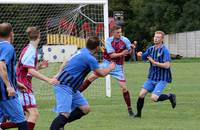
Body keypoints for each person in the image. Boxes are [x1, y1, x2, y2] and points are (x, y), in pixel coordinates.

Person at [50, 36, 115, 130]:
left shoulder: (81, 51)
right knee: (64, 114)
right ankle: (59, 123)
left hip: (72, 88)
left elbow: (65, 62)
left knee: (85, 109)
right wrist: (110, 68)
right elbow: (101, 73)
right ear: (97, 47)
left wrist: (57, 74)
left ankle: (61, 123)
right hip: (64, 85)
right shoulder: (90, 58)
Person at [79, 25, 135, 116]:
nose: (120, 34)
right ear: (112, 33)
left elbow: (130, 54)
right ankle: (75, 94)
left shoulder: (125, 40)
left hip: (118, 66)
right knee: (91, 77)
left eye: (120, 32)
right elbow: (112, 55)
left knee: (124, 88)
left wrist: (132, 49)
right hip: (107, 63)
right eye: (117, 32)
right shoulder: (108, 41)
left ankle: (130, 109)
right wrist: (122, 53)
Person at [16, 26, 59, 130]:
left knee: (26, 118)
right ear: (39, 36)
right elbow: (30, 71)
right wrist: (48, 79)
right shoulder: (30, 50)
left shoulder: (29, 49)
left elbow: (25, 69)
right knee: (34, 114)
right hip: (23, 86)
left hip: (21, 85)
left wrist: (39, 67)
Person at [134, 31, 176, 118]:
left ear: (162, 39)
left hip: (162, 78)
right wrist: (139, 55)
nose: (156, 39)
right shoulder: (151, 49)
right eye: (155, 37)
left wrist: (154, 62)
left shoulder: (165, 50)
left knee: (154, 98)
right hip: (151, 77)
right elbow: (142, 58)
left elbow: (167, 65)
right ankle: (138, 114)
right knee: (141, 94)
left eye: (158, 37)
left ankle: (170, 96)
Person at [0, 22, 28, 130]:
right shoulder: (8, 47)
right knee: (22, 123)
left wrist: (15, 83)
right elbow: (1, 65)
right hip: (4, 91)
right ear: (12, 33)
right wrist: (8, 85)